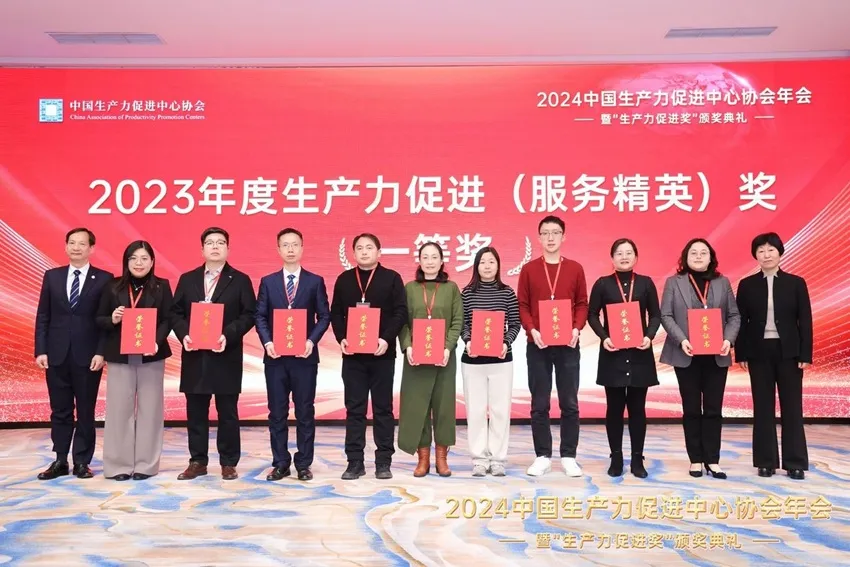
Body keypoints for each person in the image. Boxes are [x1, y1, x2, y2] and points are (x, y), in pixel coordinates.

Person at [171, 227, 257, 481]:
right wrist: (184, 334)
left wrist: (227, 335)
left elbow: (249, 314)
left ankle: (228, 462)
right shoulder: (188, 279)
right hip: (195, 355)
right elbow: (175, 313)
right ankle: (197, 461)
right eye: (210, 242)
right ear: (202, 249)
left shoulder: (240, 280)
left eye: (220, 242)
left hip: (225, 354)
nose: (215, 246)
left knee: (227, 412)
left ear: (228, 249)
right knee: (196, 411)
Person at [34, 228, 113, 480]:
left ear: (92, 248)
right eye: (72, 243)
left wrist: (101, 352)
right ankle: (60, 460)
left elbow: (105, 321)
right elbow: (43, 315)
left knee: (86, 411)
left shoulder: (104, 279)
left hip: (88, 356)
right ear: (66, 246)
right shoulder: (52, 276)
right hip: (56, 354)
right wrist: (41, 349)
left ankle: (82, 461)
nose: (76, 247)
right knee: (60, 410)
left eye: (82, 244)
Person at [660, 238, 740, 479]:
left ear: (711, 257)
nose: (698, 256)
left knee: (714, 409)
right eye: (693, 252)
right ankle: (695, 459)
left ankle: (713, 460)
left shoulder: (722, 282)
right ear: (685, 257)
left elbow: (734, 316)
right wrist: (681, 340)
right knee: (692, 409)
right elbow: (666, 315)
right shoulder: (674, 282)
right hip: (687, 354)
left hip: (716, 355)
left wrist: (728, 340)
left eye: (703, 252)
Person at [255, 228, 331, 482]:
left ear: (302, 248)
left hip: (304, 358)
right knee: (277, 412)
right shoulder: (268, 282)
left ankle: (304, 464)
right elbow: (260, 316)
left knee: (305, 411)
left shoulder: (314, 281)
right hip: (275, 358)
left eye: (295, 244)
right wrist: (267, 342)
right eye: (285, 245)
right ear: (278, 249)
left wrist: (311, 340)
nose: (290, 249)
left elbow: (324, 316)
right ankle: (280, 463)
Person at [330, 233, 407, 480]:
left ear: (379, 252)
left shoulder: (392, 278)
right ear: (353, 253)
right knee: (355, 409)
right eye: (360, 248)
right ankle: (355, 462)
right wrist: (342, 338)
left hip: (382, 354)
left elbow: (400, 312)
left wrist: (386, 339)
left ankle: (383, 462)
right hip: (353, 356)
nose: (364, 252)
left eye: (369, 247)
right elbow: (335, 313)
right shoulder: (344, 279)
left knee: (383, 409)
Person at [735, 232, 812, 480]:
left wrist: (805, 353)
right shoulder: (747, 285)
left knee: (792, 407)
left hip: (789, 352)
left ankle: (795, 462)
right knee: (763, 407)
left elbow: (805, 320)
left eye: (771, 250)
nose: (766, 255)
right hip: (758, 352)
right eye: (761, 251)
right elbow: (741, 321)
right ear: (755, 255)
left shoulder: (796, 283)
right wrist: (741, 352)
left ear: (780, 252)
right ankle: (765, 461)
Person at [518, 215, 589, 477]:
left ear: (563, 236)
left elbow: (582, 303)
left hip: (568, 344)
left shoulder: (575, 268)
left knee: (569, 402)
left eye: (555, 232)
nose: (550, 237)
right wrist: (532, 330)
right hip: (538, 344)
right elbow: (523, 305)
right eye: (545, 233)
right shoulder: (529, 269)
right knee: (539, 402)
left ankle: (569, 456)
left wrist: (576, 328)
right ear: (538, 238)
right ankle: (542, 456)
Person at [96, 241, 173, 481]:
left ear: (152, 262)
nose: (139, 263)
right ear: (126, 261)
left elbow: (168, 319)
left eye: (144, 258)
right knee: (119, 410)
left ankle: (146, 465)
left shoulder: (162, 286)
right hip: (119, 356)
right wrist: (113, 319)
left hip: (151, 356)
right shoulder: (112, 286)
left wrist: (156, 341)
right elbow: (99, 319)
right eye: (133, 258)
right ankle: (118, 465)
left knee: (151, 410)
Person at [587, 238, 661, 479]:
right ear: (612, 258)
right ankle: (616, 457)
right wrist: (604, 337)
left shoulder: (646, 283)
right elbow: (592, 314)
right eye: (619, 253)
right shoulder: (603, 284)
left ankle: (637, 458)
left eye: (629, 252)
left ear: (636, 257)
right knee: (614, 408)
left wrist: (649, 336)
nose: (624, 256)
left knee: (638, 409)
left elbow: (655, 315)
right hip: (613, 354)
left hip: (640, 352)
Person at [397, 243, 464, 477]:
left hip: (444, 358)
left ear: (442, 261)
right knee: (418, 407)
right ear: (419, 261)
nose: (430, 261)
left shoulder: (451, 288)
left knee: (444, 407)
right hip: (415, 358)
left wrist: (447, 347)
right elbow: (402, 321)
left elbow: (458, 321)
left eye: (434, 257)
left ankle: (441, 458)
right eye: (425, 257)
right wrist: (407, 346)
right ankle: (423, 458)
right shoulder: (410, 288)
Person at [459, 247, 521, 477]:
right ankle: (479, 459)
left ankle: (497, 459)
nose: (487, 266)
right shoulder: (467, 293)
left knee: (500, 411)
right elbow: (463, 323)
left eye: (491, 261)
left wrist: (506, 342)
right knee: (475, 411)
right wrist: (468, 341)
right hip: (473, 361)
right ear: (476, 266)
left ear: (498, 265)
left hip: (501, 360)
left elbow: (515, 323)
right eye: (482, 262)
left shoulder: (507, 293)